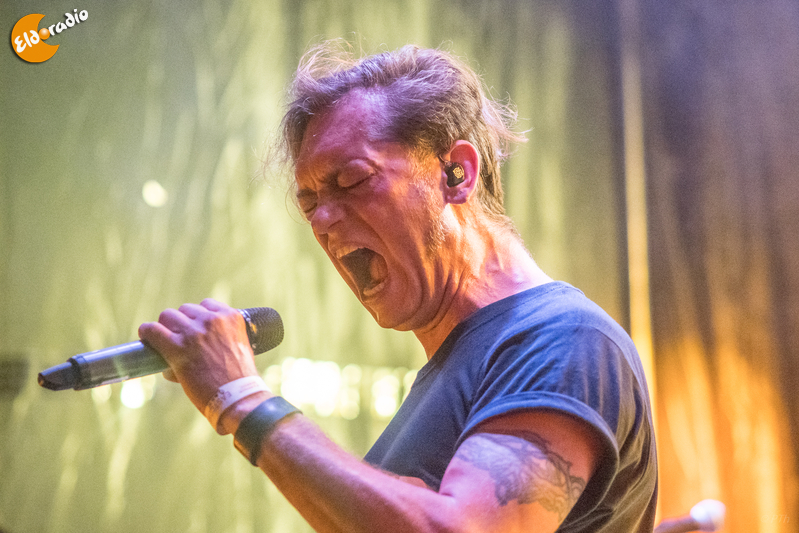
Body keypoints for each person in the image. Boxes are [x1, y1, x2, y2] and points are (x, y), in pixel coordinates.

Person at [138, 43, 657, 532]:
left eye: (353, 180)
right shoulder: (455, 370)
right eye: (309, 203)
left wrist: (242, 398)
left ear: (457, 173)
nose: (323, 220)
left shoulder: (565, 339)